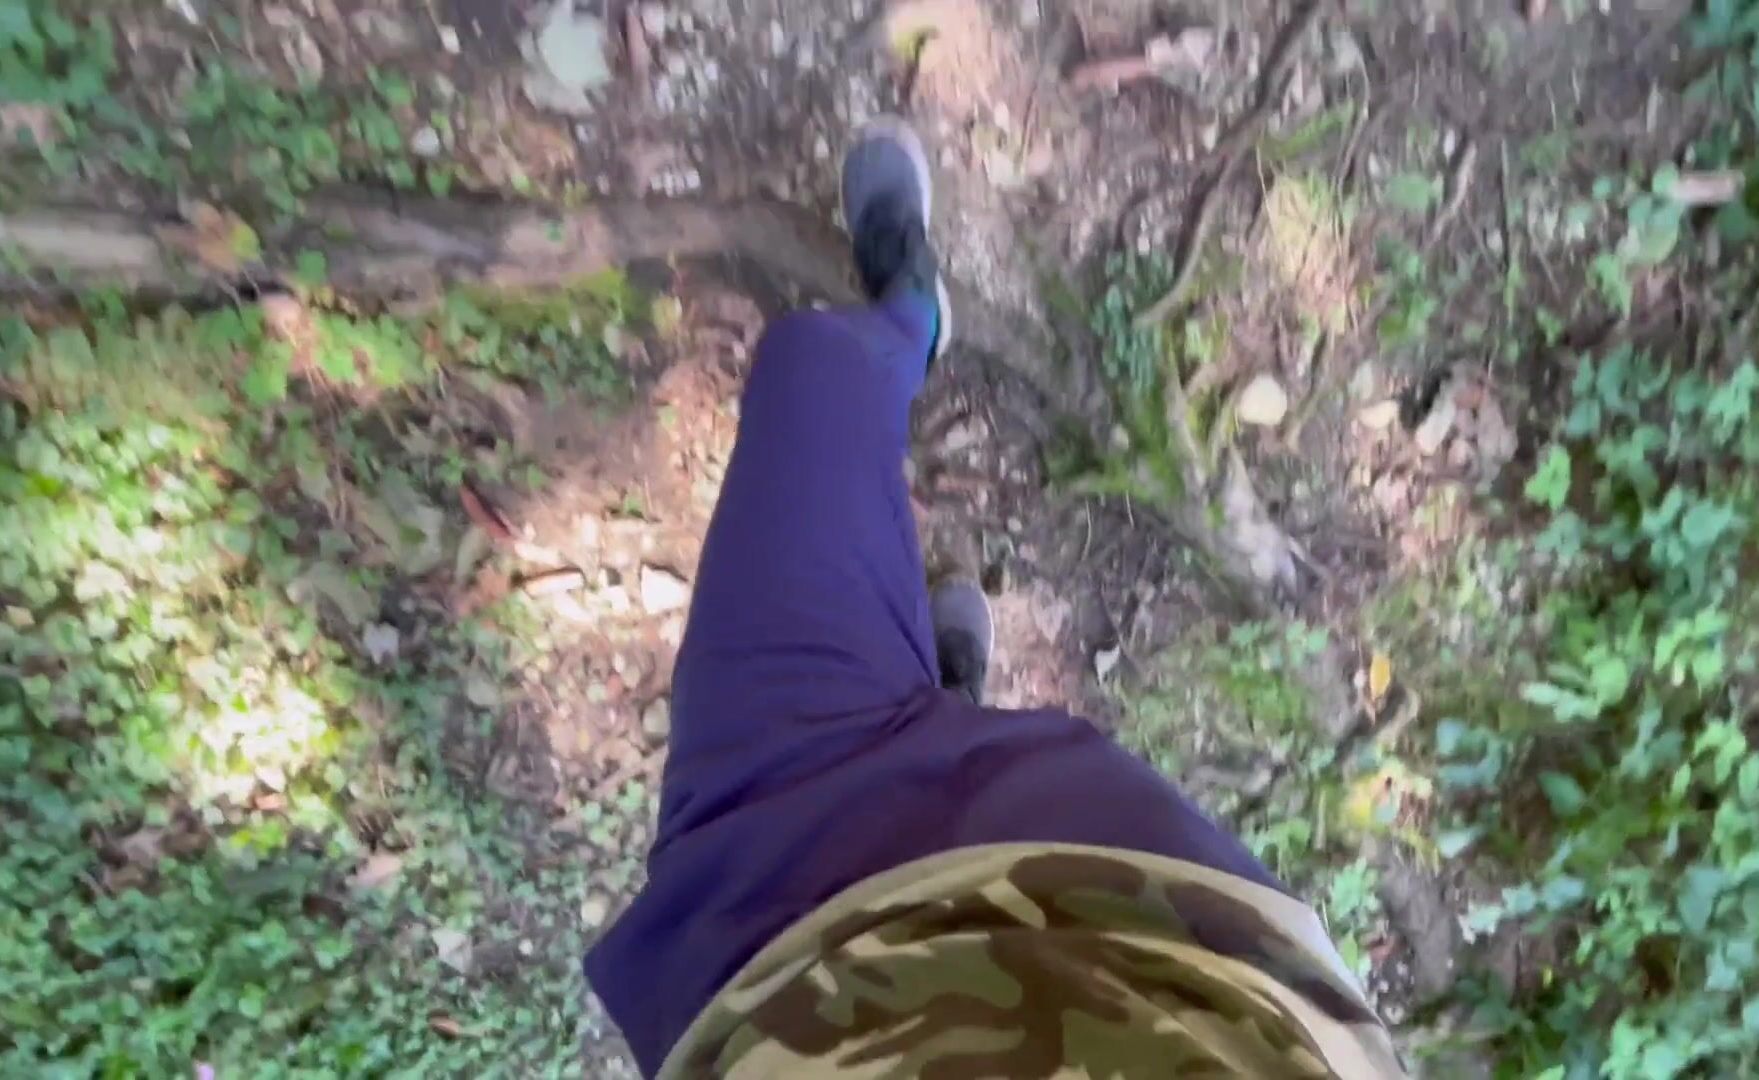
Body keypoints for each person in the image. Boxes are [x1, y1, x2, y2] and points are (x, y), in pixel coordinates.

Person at [584, 119, 1404, 1078]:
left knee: (809, 372)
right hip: (1155, 925)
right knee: (818, 381)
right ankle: (910, 324)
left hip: (778, 922)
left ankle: (949, 695)